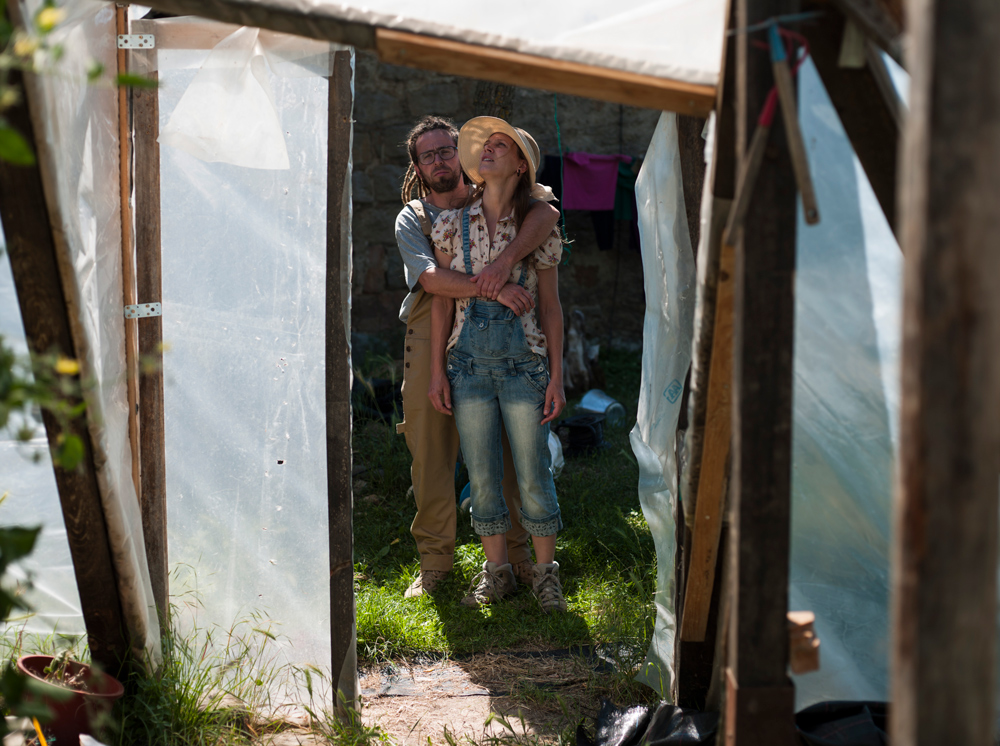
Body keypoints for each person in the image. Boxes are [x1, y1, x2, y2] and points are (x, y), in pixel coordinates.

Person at [394, 116, 561, 598]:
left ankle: (522, 563)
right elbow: (432, 283)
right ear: (418, 167)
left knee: (513, 458)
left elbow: (547, 213)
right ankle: (436, 566)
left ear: (459, 155)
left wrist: (504, 268)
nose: (439, 160)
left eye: (446, 150)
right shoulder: (420, 217)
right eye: (428, 155)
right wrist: (497, 287)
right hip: (434, 330)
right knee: (430, 451)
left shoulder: (490, 196)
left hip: (511, 342)